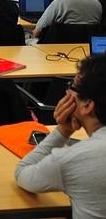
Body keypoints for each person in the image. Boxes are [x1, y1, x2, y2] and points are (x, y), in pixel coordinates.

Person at [15, 54, 106, 218]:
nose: (67, 91)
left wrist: (63, 130)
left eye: (72, 85)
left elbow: (22, 174)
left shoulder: (73, 159)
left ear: (87, 105)